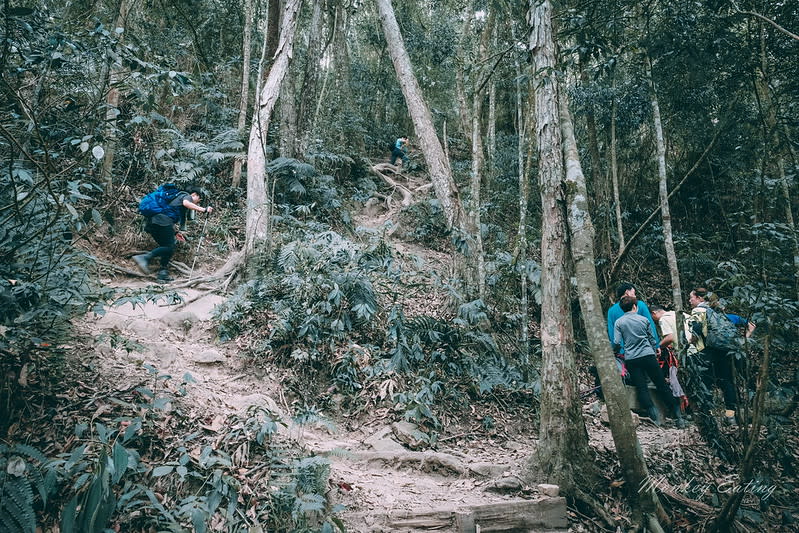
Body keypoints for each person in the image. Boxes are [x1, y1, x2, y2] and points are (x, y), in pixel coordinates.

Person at [613, 296, 684, 427]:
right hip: (648, 355)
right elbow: (651, 338)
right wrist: (656, 348)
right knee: (661, 384)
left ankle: (655, 417)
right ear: (635, 306)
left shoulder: (619, 322)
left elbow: (617, 342)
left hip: (632, 358)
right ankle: (678, 417)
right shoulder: (644, 320)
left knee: (641, 388)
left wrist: (615, 352)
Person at [133, 186, 212, 282]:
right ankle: (144, 258)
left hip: (152, 222)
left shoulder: (175, 198)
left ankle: (162, 274)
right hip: (162, 221)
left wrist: (175, 232)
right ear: (194, 195)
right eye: (198, 200)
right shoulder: (186, 196)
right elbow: (186, 203)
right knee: (170, 247)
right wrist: (204, 209)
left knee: (166, 247)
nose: (196, 202)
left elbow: (169, 212)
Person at [686, 287, 738, 426]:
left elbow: (696, 334)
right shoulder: (719, 310)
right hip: (723, 351)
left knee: (704, 383)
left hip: (705, 352)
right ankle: (730, 416)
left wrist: (687, 343)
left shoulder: (698, 311)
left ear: (700, 298)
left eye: (691, 297)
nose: (689, 301)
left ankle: (706, 415)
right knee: (726, 383)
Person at [650, 304, 690, 413]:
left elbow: (669, 338)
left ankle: (684, 410)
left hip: (681, 352)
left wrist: (658, 347)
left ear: (654, 313)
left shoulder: (663, 319)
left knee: (678, 381)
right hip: (694, 349)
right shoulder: (679, 314)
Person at [607, 282, 660, 355]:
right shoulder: (639, 305)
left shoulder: (611, 311)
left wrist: (615, 350)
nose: (635, 296)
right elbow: (650, 326)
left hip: (625, 352)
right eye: (634, 293)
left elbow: (612, 333)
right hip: (644, 349)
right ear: (627, 292)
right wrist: (656, 345)